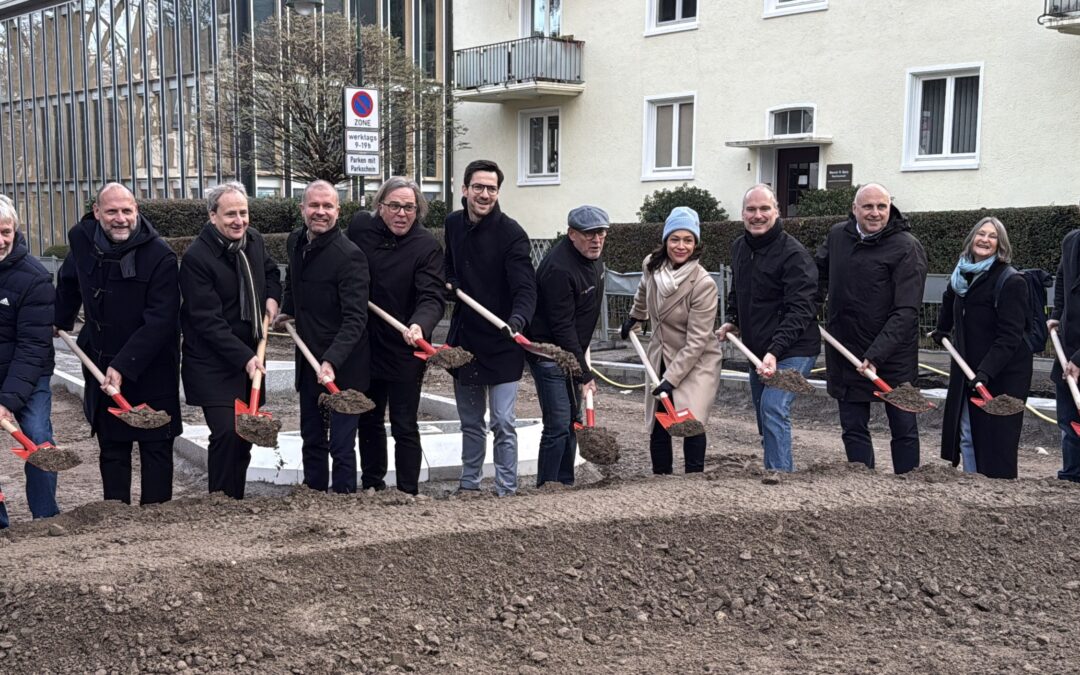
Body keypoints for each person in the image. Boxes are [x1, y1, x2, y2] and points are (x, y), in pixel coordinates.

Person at [54, 183, 182, 504]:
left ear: (136, 210)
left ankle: (156, 515)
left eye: (127, 211)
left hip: (152, 365)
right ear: (97, 212)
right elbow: (70, 279)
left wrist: (123, 365)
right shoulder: (83, 241)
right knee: (112, 447)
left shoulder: (160, 255)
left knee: (156, 446)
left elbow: (161, 320)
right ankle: (115, 515)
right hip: (100, 358)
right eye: (112, 211)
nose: (120, 218)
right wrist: (60, 319)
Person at [815, 183, 928, 474]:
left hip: (894, 355)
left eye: (881, 206)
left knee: (903, 425)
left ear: (890, 208)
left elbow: (906, 310)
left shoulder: (907, 247)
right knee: (853, 426)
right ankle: (862, 480)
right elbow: (817, 276)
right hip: (846, 349)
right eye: (867, 206)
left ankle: (908, 482)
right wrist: (805, 307)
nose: (875, 213)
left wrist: (877, 353)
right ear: (855, 209)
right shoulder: (838, 236)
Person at [179, 182, 281, 499]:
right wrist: (245, 358)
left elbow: (271, 273)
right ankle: (220, 500)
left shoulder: (254, 241)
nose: (239, 221)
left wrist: (272, 299)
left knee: (244, 434)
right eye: (230, 214)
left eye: (243, 213)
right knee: (226, 432)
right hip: (212, 361)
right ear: (213, 216)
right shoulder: (197, 258)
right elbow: (206, 320)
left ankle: (235, 498)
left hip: (249, 355)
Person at [444, 159, 537, 496]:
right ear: (465, 189)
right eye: (478, 187)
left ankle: (506, 488)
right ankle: (469, 485)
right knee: (471, 422)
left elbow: (525, 288)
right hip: (466, 342)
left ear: (498, 192)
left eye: (492, 189)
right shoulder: (453, 224)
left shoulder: (511, 234)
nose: (485, 194)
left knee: (502, 420)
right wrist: (450, 282)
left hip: (503, 341)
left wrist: (517, 321)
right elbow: (449, 266)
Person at [348, 177, 444, 495]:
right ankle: (372, 484)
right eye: (394, 206)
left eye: (409, 208)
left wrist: (420, 325)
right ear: (380, 207)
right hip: (365, 343)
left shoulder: (426, 246)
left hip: (405, 347)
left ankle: (407, 491)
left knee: (404, 422)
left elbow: (431, 297)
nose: (402, 214)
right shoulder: (361, 228)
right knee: (368, 418)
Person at [717, 184, 820, 473]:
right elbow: (739, 289)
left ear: (777, 211)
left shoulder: (794, 254)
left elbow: (801, 309)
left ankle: (779, 476)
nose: (758, 215)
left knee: (774, 405)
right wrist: (734, 319)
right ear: (742, 214)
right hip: (757, 349)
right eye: (751, 209)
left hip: (794, 348)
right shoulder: (740, 247)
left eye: (765, 209)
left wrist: (775, 351)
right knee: (764, 413)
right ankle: (773, 466)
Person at [275, 181, 369, 494]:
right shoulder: (296, 241)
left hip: (344, 365)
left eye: (328, 206)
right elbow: (294, 284)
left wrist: (332, 360)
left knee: (341, 444)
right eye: (314, 205)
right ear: (302, 208)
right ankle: (312, 495)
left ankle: (343, 500)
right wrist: (288, 311)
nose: (320, 212)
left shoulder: (350, 256)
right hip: (308, 358)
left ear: (338, 211)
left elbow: (355, 319)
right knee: (312, 437)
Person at [620, 207, 722, 475]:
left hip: (696, 361)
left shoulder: (703, 284)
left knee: (692, 421)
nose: (681, 246)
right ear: (666, 240)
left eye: (688, 240)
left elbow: (697, 341)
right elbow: (644, 289)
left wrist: (671, 379)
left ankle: (693, 478)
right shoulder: (652, 266)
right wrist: (636, 316)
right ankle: (661, 478)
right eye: (675, 239)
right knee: (659, 422)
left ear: (696, 244)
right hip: (661, 353)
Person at [931, 217, 1031, 479]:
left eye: (992, 236)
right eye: (981, 234)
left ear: (1000, 245)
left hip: (1002, 372)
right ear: (972, 238)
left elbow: (1010, 336)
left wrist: (985, 372)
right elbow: (951, 299)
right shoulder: (962, 274)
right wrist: (941, 330)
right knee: (966, 431)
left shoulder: (1010, 281)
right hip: (967, 366)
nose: (985, 240)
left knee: (995, 439)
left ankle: (997, 488)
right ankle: (972, 483)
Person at [528, 205, 609, 487]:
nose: (596, 240)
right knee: (558, 423)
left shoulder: (593, 258)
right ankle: (547, 485)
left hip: (572, 349)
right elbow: (562, 326)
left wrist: (581, 361)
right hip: (549, 353)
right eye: (589, 234)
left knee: (573, 420)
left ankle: (565, 483)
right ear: (572, 234)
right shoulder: (558, 269)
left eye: (601, 233)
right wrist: (584, 373)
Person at [0, 195, 59, 528]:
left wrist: (7, 401)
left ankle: (45, 516)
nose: (0, 240)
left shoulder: (34, 277)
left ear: (15, 230)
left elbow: (33, 347)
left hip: (28, 374)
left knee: (37, 437)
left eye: (5, 231)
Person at [1049, 210, 1080, 483]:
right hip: (1068, 348)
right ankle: (1071, 475)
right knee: (1070, 421)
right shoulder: (1072, 241)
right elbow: (1062, 279)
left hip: (1077, 357)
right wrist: (1057, 313)